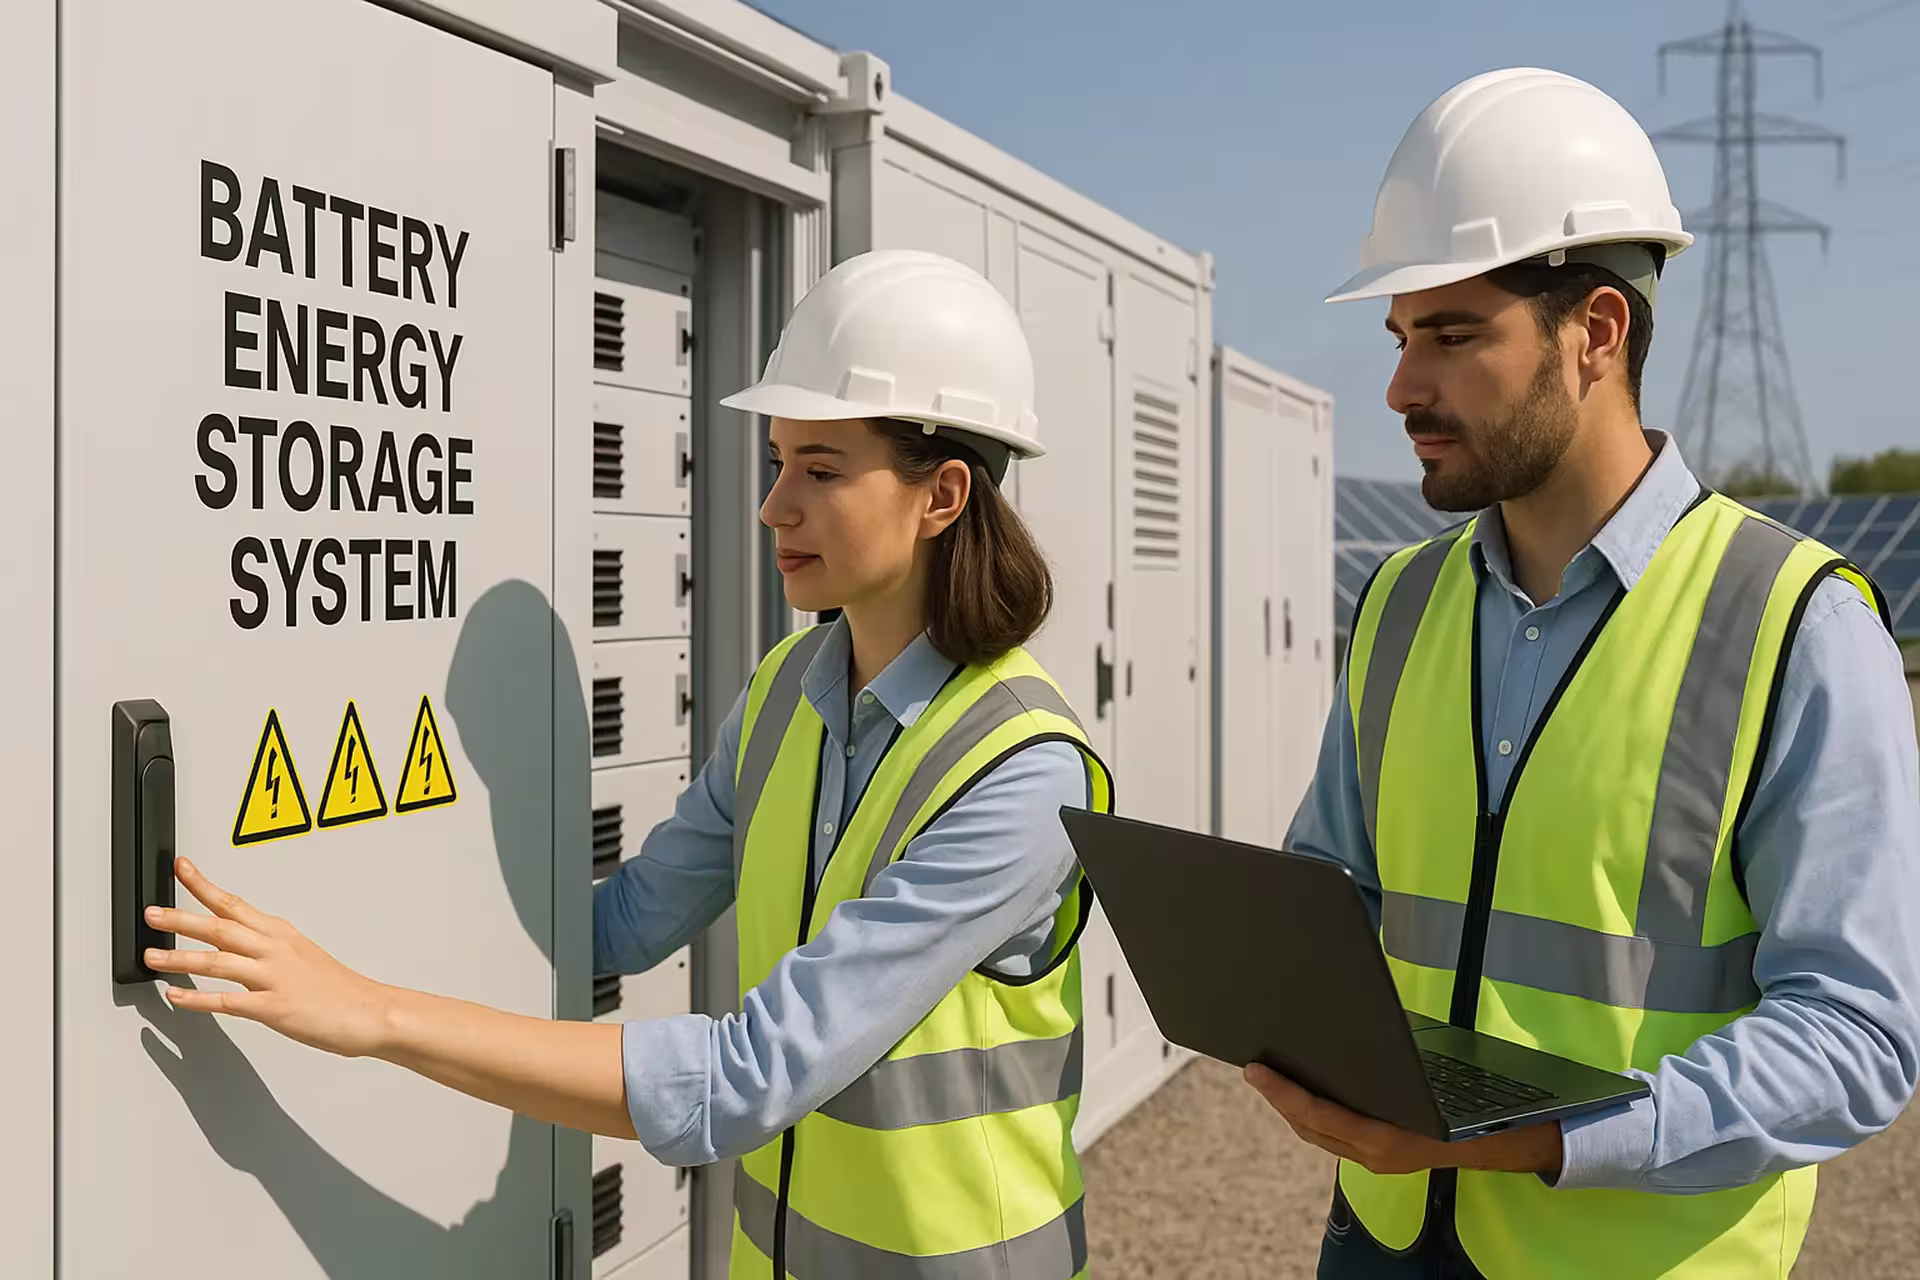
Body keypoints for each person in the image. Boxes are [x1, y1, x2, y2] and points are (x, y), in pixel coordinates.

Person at [143, 249, 1112, 1280]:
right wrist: (368, 900)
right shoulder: (789, 689)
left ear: (944, 494)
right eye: (777, 461)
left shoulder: (1021, 771)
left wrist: (371, 1012)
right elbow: (625, 920)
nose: (773, 505)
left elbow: (749, 1074)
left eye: (821, 470)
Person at [1243, 67, 1920, 1278]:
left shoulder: (1799, 625)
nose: (1400, 386)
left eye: (1452, 336)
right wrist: (1283, 1007)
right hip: (1383, 1239)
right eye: (1400, 338)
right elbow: (1333, 885)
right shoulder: (1399, 604)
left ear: (1596, 333)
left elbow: (1856, 1036)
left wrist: (1549, 1138)